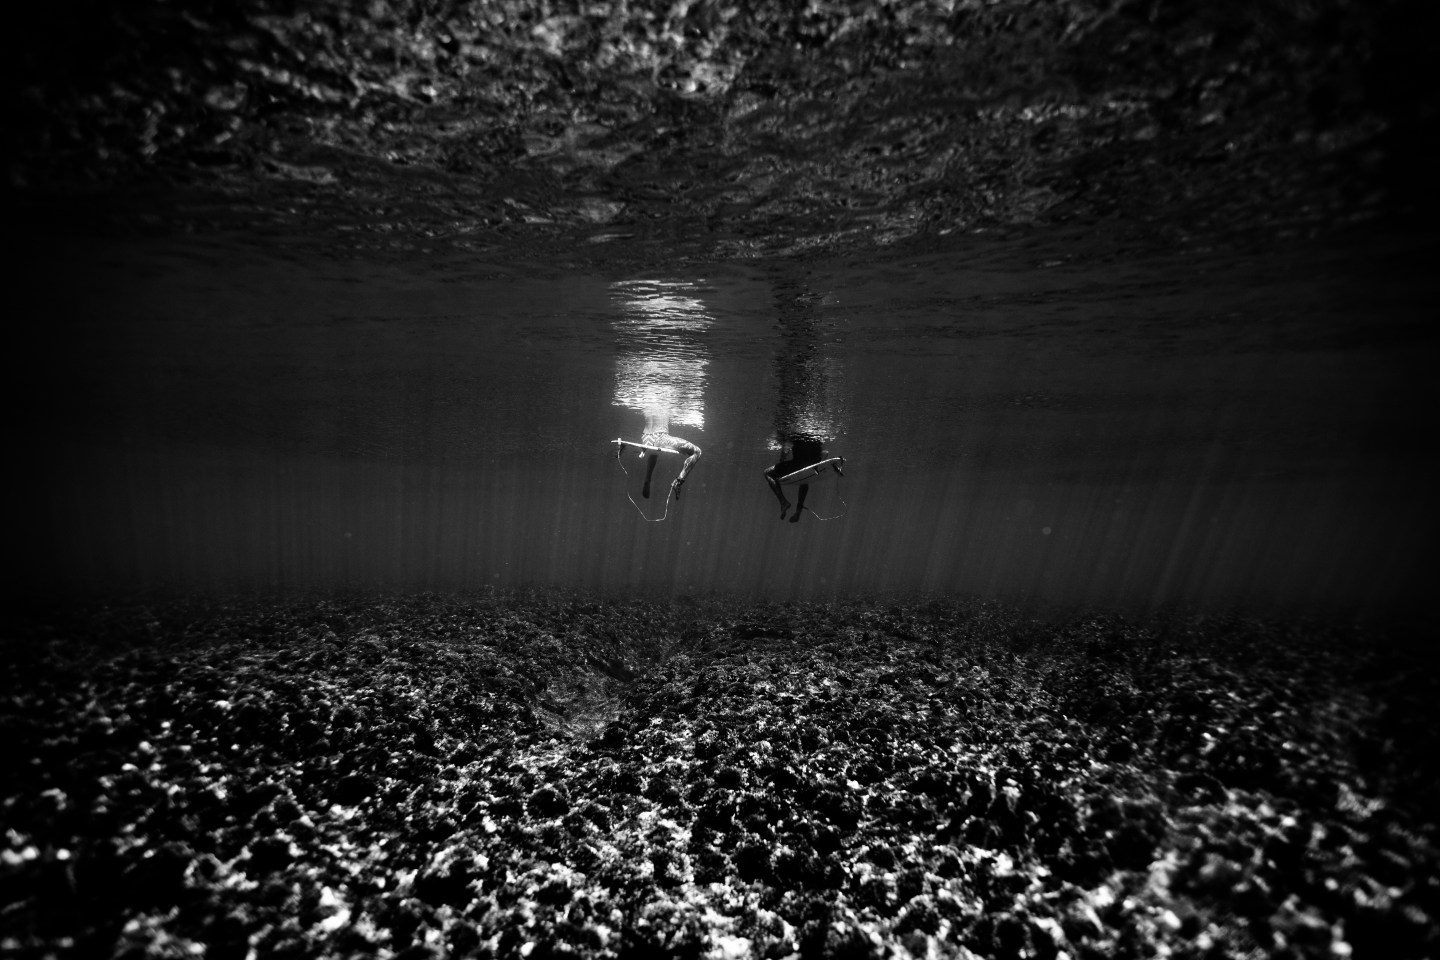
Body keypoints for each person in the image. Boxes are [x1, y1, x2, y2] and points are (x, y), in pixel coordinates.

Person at [764, 434, 830, 522]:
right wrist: (819, 464)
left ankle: (783, 502)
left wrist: (781, 462)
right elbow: (825, 452)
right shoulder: (819, 435)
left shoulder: (795, 433)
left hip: (797, 465)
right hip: (812, 466)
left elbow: (786, 449)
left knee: (767, 473)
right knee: (805, 477)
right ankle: (799, 510)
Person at [639, 430, 701, 500]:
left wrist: (644, 447)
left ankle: (647, 479)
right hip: (661, 438)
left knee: (654, 454)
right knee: (697, 451)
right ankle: (678, 481)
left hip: (654, 438)